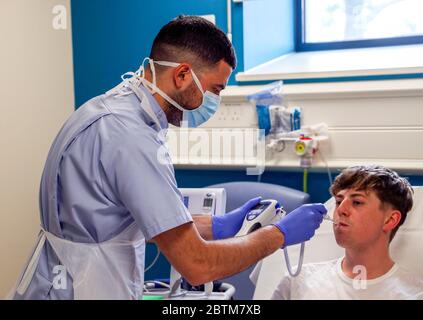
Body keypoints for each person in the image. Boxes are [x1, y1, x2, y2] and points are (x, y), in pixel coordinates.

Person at [12, 15, 326, 300]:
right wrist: (278, 235)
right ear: (182, 75)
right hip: (84, 288)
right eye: (215, 90)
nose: (214, 102)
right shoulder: (131, 136)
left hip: (55, 282)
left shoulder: (109, 109)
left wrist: (218, 226)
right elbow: (198, 265)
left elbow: (112, 221)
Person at [271, 165, 423, 300]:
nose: (341, 210)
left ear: (390, 220)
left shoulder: (414, 294)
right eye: (338, 201)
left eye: (357, 202)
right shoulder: (299, 282)